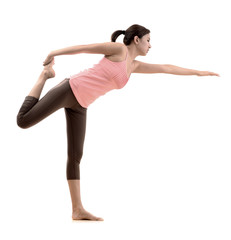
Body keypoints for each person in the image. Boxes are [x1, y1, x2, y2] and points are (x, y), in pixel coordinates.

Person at [16, 24, 220, 221]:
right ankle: (43, 77)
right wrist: (54, 52)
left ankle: (77, 210)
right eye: (148, 40)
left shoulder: (134, 65)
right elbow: (84, 48)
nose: (150, 45)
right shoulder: (118, 50)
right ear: (137, 39)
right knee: (23, 121)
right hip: (70, 89)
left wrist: (198, 72)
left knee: (76, 156)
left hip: (81, 104)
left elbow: (166, 68)